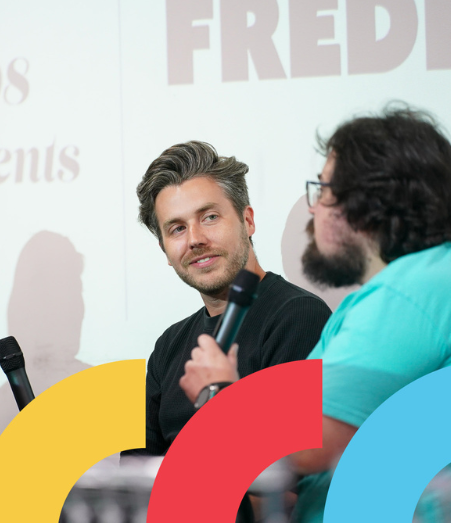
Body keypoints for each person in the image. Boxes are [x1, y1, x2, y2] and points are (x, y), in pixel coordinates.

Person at [179, 107, 451, 522]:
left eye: (325, 191)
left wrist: (217, 393)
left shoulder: (410, 295)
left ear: (371, 203)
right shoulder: (442, 280)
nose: (314, 210)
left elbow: (306, 450)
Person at [122, 141, 330, 455]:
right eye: (177, 229)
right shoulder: (168, 346)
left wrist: (219, 396)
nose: (195, 239)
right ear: (164, 250)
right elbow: (138, 475)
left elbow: (288, 472)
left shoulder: (299, 316)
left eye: (209, 217)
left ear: (248, 221)